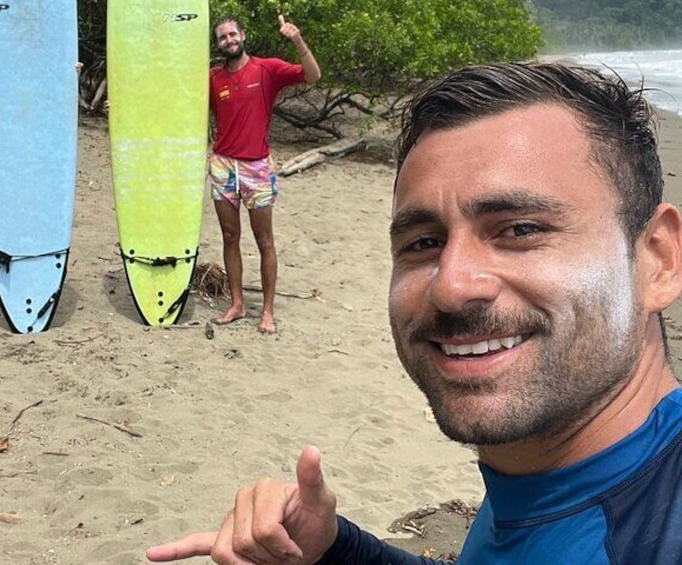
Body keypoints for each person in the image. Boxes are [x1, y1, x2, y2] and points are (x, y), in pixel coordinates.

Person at [146, 62, 682, 563]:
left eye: (520, 230)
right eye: (424, 242)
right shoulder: (552, 468)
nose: (451, 286)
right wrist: (337, 552)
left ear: (656, 260)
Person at [209, 15, 321, 334]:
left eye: (232, 34)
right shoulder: (213, 78)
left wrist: (297, 39)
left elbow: (313, 75)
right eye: (222, 38)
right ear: (217, 45)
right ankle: (237, 304)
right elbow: (178, 103)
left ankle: (268, 311)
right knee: (230, 236)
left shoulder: (266, 68)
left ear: (242, 36)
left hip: (256, 167)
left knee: (264, 241)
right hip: (221, 166)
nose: (229, 41)